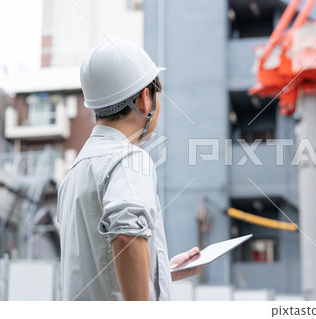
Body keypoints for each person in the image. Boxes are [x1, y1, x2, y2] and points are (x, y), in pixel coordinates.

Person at [57, 39, 202, 301]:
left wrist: (160, 272)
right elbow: (126, 237)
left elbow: (100, 265)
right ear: (144, 99)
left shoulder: (76, 170)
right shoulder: (129, 158)